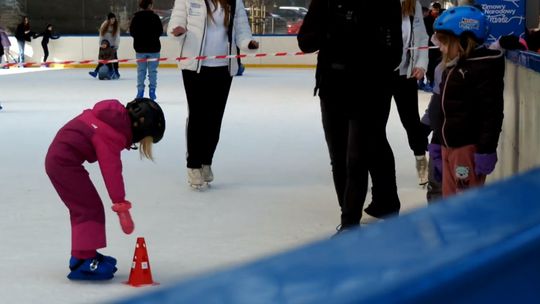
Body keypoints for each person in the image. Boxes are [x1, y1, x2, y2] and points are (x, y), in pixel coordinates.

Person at [298, 0, 403, 233]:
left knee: (358, 158)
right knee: (339, 157)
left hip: (371, 90)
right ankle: (354, 211)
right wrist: (332, 31)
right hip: (332, 87)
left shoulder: (386, 4)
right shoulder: (324, 3)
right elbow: (305, 41)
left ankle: (350, 223)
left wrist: (362, 42)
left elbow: (394, 53)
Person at [45, 98, 165, 280]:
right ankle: (83, 262)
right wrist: (120, 203)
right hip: (63, 163)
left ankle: (82, 254)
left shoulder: (111, 118)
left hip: (62, 160)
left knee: (85, 208)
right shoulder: (111, 133)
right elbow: (111, 170)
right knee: (88, 209)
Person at [168, 0, 259, 189]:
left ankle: (206, 161)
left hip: (224, 68)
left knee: (214, 118)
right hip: (194, 67)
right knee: (197, 116)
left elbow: (241, 30)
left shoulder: (234, 1)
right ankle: (193, 164)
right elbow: (175, 24)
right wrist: (177, 31)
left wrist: (248, 43)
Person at [428, 5, 505, 197]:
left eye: (445, 42)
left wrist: (486, 150)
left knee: (466, 203)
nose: (440, 47)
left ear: (463, 41)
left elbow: (492, 113)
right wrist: (437, 143)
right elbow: (443, 111)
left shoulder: (481, 69)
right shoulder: (451, 68)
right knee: (449, 199)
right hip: (448, 146)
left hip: (467, 150)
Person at [376, 0, 430, 188]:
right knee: (375, 126)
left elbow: (422, 38)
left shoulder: (411, 4)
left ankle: (421, 159)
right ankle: (376, 172)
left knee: (411, 122)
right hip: (378, 76)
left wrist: (421, 64)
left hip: (405, 74)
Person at [129, 0, 164, 100]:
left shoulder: (136, 18)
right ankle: (152, 91)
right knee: (153, 71)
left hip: (140, 49)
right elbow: (160, 31)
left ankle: (140, 91)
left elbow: (132, 32)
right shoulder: (155, 17)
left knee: (141, 71)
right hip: (154, 49)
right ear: (149, 5)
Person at [99, 13, 121, 78]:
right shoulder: (104, 25)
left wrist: (116, 45)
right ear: (108, 19)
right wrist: (101, 44)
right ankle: (109, 71)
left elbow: (117, 37)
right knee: (105, 59)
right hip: (105, 45)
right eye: (111, 19)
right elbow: (101, 35)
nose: (113, 20)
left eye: (114, 19)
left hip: (112, 46)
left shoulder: (116, 26)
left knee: (115, 59)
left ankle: (116, 71)